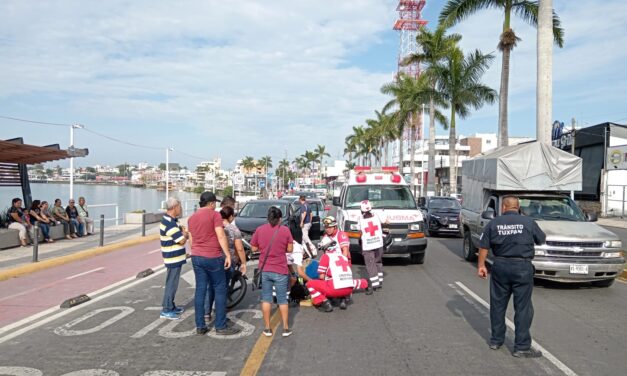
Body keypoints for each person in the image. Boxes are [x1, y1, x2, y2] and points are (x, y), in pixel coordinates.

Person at [478, 196, 546, 358]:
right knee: (523, 308)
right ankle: (521, 347)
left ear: (504, 207)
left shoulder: (494, 223)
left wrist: (481, 266)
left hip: (500, 266)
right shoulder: (528, 222)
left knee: (498, 305)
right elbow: (541, 240)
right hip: (522, 267)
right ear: (518, 207)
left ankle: (496, 340)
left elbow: (483, 246)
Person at [188, 192, 240, 336]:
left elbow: (191, 240)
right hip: (213, 256)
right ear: (211, 203)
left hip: (196, 257)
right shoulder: (214, 215)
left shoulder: (191, 218)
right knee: (220, 289)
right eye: (214, 203)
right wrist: (228, 255)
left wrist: (195, 252)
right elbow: (221, 235)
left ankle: (200, 325)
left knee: (200, 290)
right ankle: (220, 326)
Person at [306, 217, 369, 312]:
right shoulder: (326, 237)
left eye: (330, 227)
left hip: (341, 263)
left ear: (335, 227)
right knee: (347, 282)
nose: (327, 229)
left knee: (335, 281)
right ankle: (362, 284)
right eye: (326, 227)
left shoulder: (341, 235)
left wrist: (340, 265)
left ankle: (340, 298)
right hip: (332, 263)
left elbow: (345, 251)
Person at [251, 206, 294, 337]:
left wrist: (262, 248)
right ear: (280, 218)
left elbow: (253, 249)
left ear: (268, 218)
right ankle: (286, 328)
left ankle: (267, 328)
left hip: (265, 270)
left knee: (266, 299)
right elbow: (290, 249)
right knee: (282, 300)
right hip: (281, 270)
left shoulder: (259, 230)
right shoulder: (285, 230)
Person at [204, 205, 247, 322]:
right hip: (228, 261)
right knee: (222, 288)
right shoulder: (234, 230)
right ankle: (220, 314)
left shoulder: (214, 226)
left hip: (213, 258)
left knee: (210, 286)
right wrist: (243, 263)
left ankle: (206, 313)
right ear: (231, 217)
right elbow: (239, 249)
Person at [159, 197, 189, 320]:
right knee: (171, 283)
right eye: (179, 206)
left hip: (175, 257)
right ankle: (166, 309)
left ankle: (170, 306)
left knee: (172, 282)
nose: (181, 209)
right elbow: (181, 240)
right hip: (172, 258)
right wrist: (186, 235)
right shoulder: (169, 223)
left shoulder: (172, 220)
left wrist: (182, 231)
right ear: (174, 207)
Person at [358, 200, 388, 292]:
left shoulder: (360, 219)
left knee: (370, 264)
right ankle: (379, 281)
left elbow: (360, 231)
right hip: (379, 243)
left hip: (368, 245)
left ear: (361, 210)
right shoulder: (377, 214)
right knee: (378, 262)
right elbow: (387, 221)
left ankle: (374, 284)